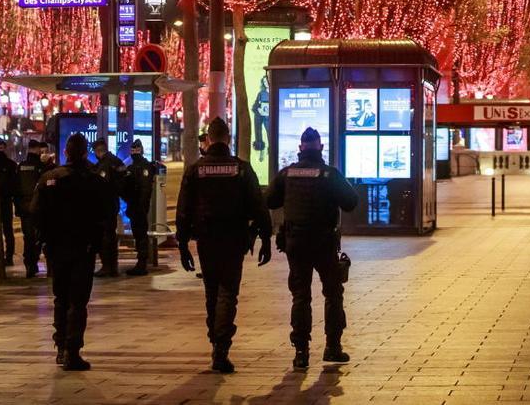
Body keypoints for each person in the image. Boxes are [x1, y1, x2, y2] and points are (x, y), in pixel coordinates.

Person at [176, 117, 272, 373]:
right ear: (228, 138)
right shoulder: (241, 169)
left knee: (211, 292)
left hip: (206, 239)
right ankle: (221, 346)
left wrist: (183, 244)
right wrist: (265, 238)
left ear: (208, 139)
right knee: (228, 292)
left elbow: (184, 210)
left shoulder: (196, 169)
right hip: (234, 239)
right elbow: (258, 207)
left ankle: (216, 340)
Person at [266, 127, 358, 369]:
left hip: (296, 242)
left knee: (300, 296)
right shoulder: (329, 174)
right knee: (333, 293)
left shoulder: (287, 174)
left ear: (299, 149)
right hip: (324, 243)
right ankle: (333, 347)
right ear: (321, 148)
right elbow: (350, 202)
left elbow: (270, 200)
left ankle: (301, 352)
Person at [30, 133, 110, 371]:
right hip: (82, 247)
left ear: (65, 152)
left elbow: (35, 212)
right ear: (85, 153)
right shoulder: (93, 179)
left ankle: (61, 348)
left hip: (56, 247)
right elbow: (107, 211)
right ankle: (72, 351)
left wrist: (45, 238)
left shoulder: (49, 178)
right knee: (78, 301)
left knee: (60, 298)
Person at [92, 138, 126, 278]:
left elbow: (101, 186)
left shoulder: (105, 164)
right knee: (111, 235)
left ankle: (107, 266)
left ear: (98, 151)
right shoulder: (115, 161)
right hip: (113, 204)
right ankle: (112, 266)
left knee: (105, 237)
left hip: (105, 206)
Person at [122, 139, 154, 276]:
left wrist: (140, 205)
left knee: (141, 234)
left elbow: (146, 190)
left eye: (136, 149)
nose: (134, 152)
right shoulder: (132, 167)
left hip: (139, 207)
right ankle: (141, 262)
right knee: (138, 234)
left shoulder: (144, 167)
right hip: (134, 207)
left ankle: (142, 263)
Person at [14, 140, 45, 277]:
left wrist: (18, 206)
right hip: (37, 207)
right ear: (37, 150)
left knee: (28, 237)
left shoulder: (21, 166)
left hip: (24, 208)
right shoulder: (41, 166)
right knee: (38, 236)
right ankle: (33, 262)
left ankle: (29, 264)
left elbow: (15, 188)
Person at [0, 138, 18, 266]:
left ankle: (3, 256)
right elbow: (15, 185)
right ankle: (8, 257)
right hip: (6, 201)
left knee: (0, 230)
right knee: (8, 230)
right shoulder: (11, 164)